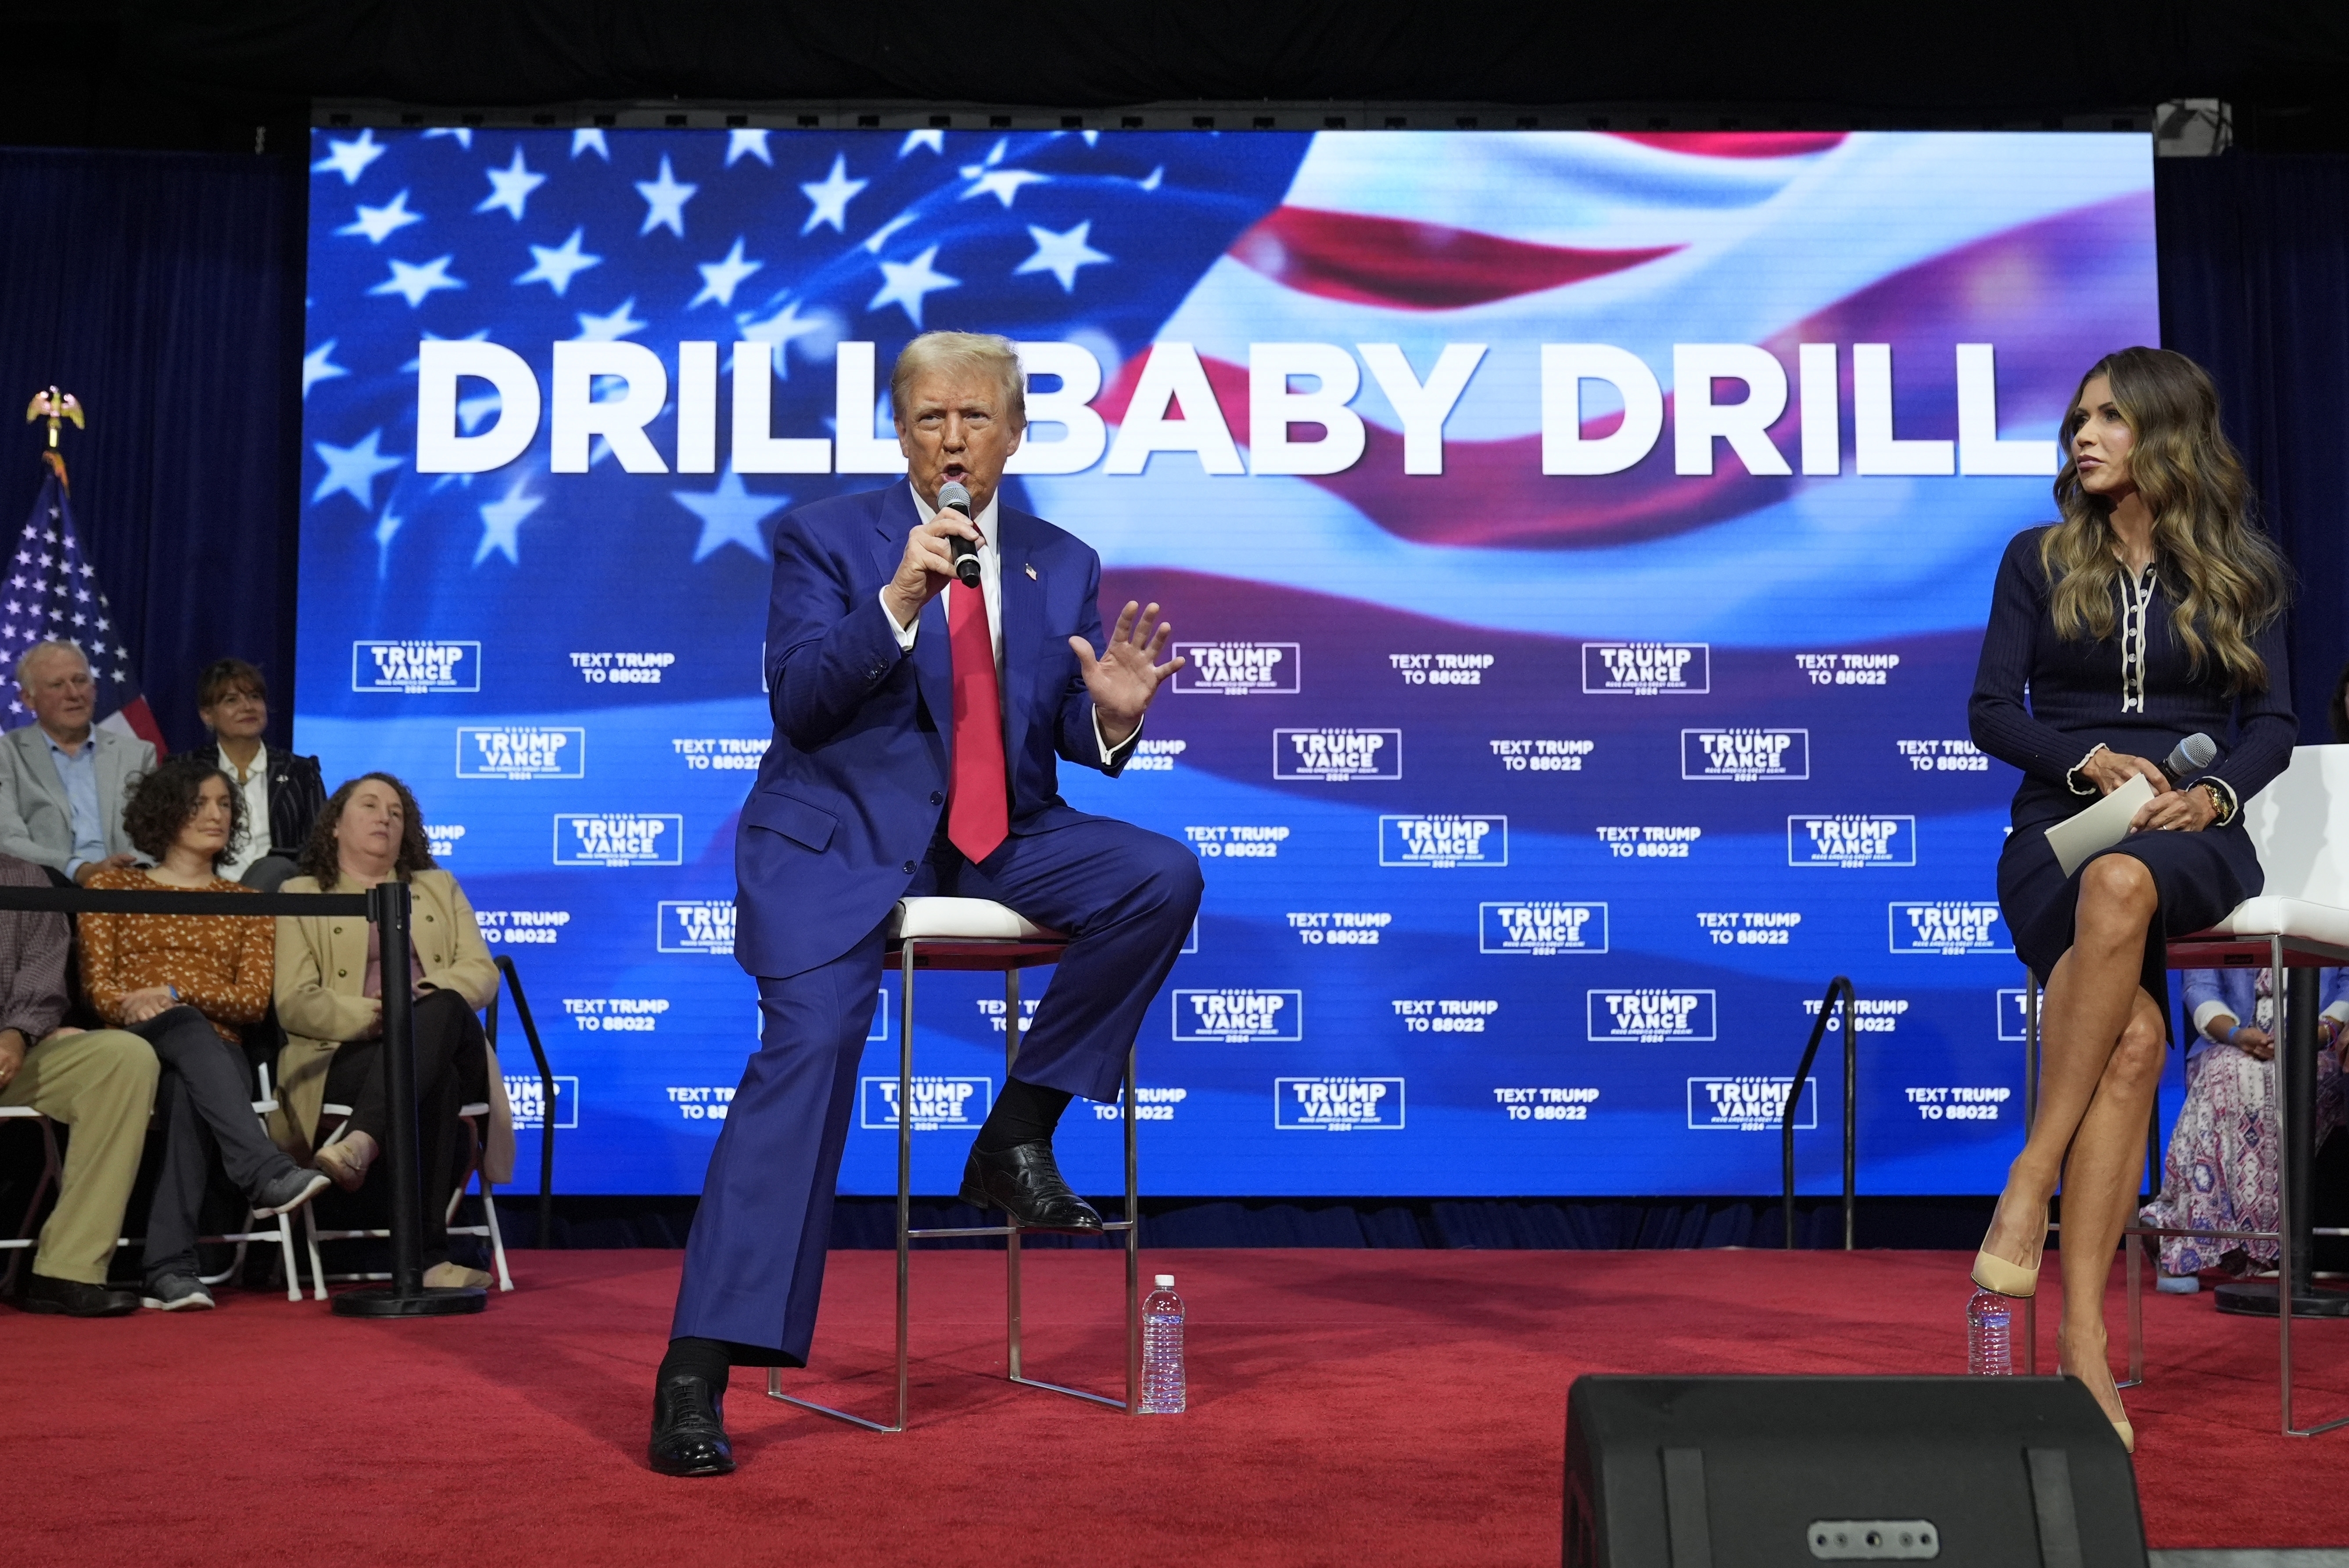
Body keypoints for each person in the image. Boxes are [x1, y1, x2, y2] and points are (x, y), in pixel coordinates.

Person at [649, 331, 1201, 1477]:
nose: (952, 440)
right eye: (928, 420)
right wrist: (900, 595)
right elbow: (802, 706)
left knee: (1161, 872)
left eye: (976, 419)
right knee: (808, 1053)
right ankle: (698, 1366)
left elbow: (1058, 734)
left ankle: (1017, 1132)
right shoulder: (828, 538)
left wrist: (1115, 717)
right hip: (841, 843)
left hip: (1005, 843)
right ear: (901, 432)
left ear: (1016, 430)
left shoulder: (1061, 560)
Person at [1969, 346, 2295, 1452]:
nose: (2083, 436)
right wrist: (2087, 763)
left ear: (2163, 431)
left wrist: (2205, 796)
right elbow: (1989, 712)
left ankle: (2028, 1179)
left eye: (2107, 417)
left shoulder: (2241, 569)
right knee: (2131, 1044)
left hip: (2190, 836)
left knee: (2124, 882)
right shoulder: (2035, 557)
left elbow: (2271, 729)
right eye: (2076, 420)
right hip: (2057, 829)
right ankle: (2080, 1349)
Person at [79, 755, 331, 1310]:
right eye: (200, 804)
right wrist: (156, 1005)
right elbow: (101, 994)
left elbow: (249, 1002)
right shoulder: (112, 889)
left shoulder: (247, 906)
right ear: (167, 813)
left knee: (188, 1082)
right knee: (190, 1032)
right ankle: (262, 1172)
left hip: (218, 1052)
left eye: (224, 804)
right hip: (129, 1046)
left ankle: (169, 1272)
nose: (216, 815)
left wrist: (173, 993)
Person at [272, 772, 509, 1292]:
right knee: (434, 1080)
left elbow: (481, 973)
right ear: (334, 825)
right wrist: (374, 1016)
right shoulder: (301, 893)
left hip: (447, 1033)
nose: (385, 817)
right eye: (371, 806)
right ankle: (427, 1260)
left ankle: (360, 1142)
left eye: (397, 812)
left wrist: (414, 998)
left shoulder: (438, 887)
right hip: (349, 1054)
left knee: (443, 1006)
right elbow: (294, 1001)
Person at [0, 849, 158, 1316]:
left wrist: (15, 1033)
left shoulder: (26, 878)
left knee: (122, 1058)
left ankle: (67, 1268)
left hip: (15, 1053)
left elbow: (43, 980)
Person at [2139, 967, 2349, 1291]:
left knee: (2268, 1078)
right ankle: (2194, 1242)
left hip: (2317, 1047)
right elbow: (2199, 986)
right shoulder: (2221, 914)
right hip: (2232, 1042)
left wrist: (2312, 1034)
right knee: (2223, 1070)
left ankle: (2173, 1231)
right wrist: (2236, 1034)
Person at [0, 639, 152, 885]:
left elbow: (155, 836)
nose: (74, 694)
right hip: (44, 891)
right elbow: (6, 840)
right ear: (29, 698)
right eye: (57, 685)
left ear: (94, 689)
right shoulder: (6, 755)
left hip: (128, 888)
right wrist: (79, 870)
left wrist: (123, 873)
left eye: (81, 681)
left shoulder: (138, 755)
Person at [189, 657, 326, 891]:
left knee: (274, 867)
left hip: (281, 897)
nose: (248, 707)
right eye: (232, 700)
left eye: (255, 697)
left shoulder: (301, 772)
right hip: (205, 893)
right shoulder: (186, 771)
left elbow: (320, 847)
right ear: (207, 715)